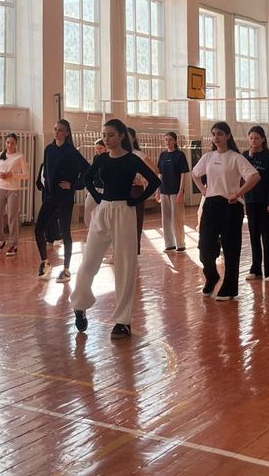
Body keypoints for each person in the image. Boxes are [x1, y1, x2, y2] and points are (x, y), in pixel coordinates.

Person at [72, 119, 160, 339]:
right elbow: (87, 178)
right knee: (89, 260)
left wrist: (136, 200)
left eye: (111, 135)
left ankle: (123, 321)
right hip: (103, 211)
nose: (107, 139)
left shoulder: (132, 159)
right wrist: (98, 196)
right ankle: (79, 304)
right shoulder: (101, 159)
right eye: (104, 135)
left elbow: (154, 181)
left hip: (124, 212)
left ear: (121, 136)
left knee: (125, 266)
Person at [192, 121, 261, 302]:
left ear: (228, 136)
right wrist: (203, 190)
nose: (216, 137)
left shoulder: (236, 157)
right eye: (214, 134)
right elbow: (195, 174)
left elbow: (254, 176)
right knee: (205, 247)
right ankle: (212, 276)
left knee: (231, 248)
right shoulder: (208, 157)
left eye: (220, 134)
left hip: (231, 206)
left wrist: (238, 193)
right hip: (211, 205)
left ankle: (229, 288)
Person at [35, 119, 90, 283]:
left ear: (66, 133)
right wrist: (45, 186)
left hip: (65, 198)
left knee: (65, 232)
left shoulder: (71, 152)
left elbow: (88, 170)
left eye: (60, 130)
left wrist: (74, 185)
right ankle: (45, 262)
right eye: (55, 129)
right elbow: (46, 171)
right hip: (50, 197)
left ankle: (66, 269)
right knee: (39, 228)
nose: (56, 132)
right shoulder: (49, 149)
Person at [242, 126, 269, 281]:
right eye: (251, 138)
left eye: (257, 138)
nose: (253, 141)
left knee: (268, 236)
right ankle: (255, 269)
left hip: (265, 202)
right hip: (251, 201)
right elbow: (242, 176)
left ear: (263, 139)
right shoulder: (245, 156)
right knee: (254, 235)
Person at [0, 133, 29, 256]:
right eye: (8, 142)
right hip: (0, 188)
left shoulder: (20, 156)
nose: (10, 145)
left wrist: (12, 175)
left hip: (13, 189)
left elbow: (26, 175)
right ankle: (1, 240)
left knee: (12, 217)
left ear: (16, 144)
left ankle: (14, 244)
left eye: (12, 143)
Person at [128, 127, 160, 255]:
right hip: (121, 190)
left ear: (133, 139)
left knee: (136, 220)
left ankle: (134, 250)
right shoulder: (119, 152)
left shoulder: (138, 154)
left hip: (135, 190)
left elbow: (155, 170)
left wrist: (143, 181)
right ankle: (121, 251)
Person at [157, 131, 190, 252]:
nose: (168, 142)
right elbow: (160, 174)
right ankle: (169, 243)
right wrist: (157, 190)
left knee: (177, 218)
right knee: (165, 218)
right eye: (166, 139)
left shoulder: (180, 155)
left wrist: (181, 191)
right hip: (164, 190)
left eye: (170, 139)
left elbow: (183, 174)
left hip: (176, 191)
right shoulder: (162, 155)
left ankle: (180, 244)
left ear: (175, 141)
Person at [83, 139, 107, 229]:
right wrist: (89, 187)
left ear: (105, 148)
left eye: (100, 148)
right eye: (96, 148)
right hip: (95, 187)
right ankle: (90, 228)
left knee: (103, 213)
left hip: (105, 189)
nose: (98, 150)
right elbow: (92, 174)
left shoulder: (109, 158)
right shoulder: (96, 158)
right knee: (88, 208)